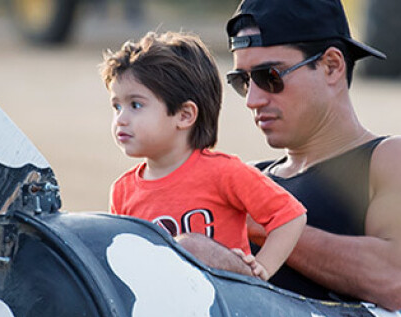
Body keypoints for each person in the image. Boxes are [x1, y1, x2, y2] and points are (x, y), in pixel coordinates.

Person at [223, 0, 401, 310]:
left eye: (269, 76)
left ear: (332, 65)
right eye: (243, 81)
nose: (252, 99)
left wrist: (265, 225)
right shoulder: (252, 176)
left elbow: (394, 277)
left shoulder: (399, 158)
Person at [100, 31, 307, 280]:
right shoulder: (122, 191)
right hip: (166, 308)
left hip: (227, 306)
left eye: (135, 105)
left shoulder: (224, 172)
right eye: (116, 106)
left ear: (185, 115)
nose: (121, 119)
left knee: (192, 246)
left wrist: (262, 271)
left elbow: (290, 216)